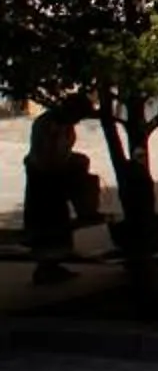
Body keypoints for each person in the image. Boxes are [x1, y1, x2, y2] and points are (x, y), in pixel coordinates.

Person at [20, 101, 102, 284]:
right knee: (46, 221)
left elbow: (63, 152)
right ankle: (45, 268)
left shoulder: (65, 125)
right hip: (42, 175)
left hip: (53, 172)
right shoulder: (48, 124)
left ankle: (53, 265)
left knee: (58, 222)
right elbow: (48, 156)